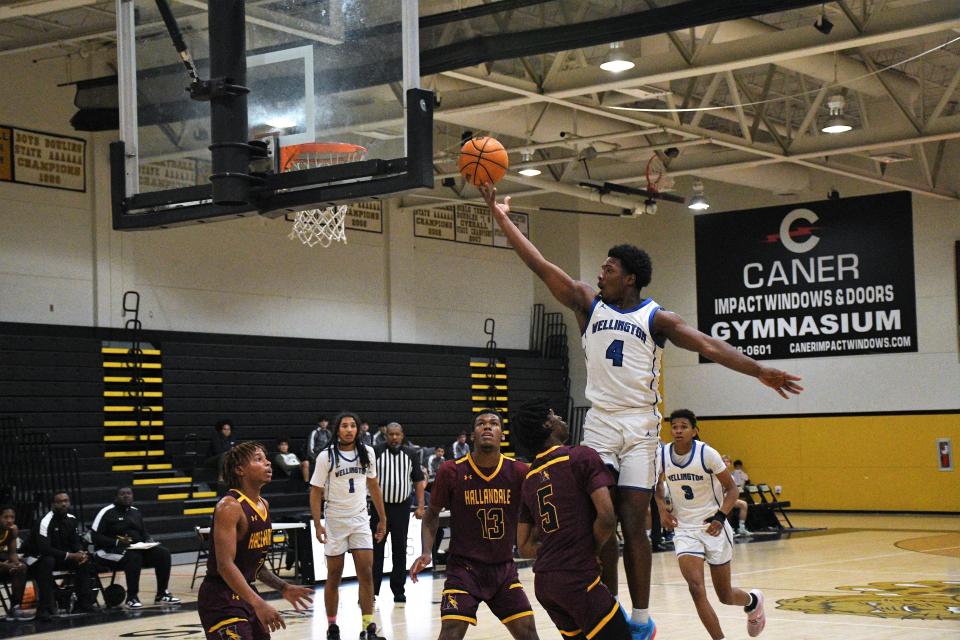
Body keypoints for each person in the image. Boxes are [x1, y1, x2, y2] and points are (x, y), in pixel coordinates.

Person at [480, 182, 803, 639]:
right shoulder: (585, 302)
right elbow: (537, 262)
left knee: (634, 520)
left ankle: (640, 617)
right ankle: (605, 605)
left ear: (629, 278)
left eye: (609, 267)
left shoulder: (656, 317)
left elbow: (708, 344)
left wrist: (757, 371)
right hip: (600, 420)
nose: (601, 270)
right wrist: (502, 216)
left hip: (640, 424)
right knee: (598, 517)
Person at [409, 410, 538, 640]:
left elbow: (539, 511)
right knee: (450, 632)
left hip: (503, 570)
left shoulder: (519, 471)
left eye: (493, 424)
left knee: (528, 632)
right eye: (481, 423)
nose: (487, 427)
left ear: (502, 435)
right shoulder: (451, 470)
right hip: (464, 569)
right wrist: (427, 551)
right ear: (472, 435)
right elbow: (431, 515)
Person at [512, 399, 630, 640]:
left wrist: (556, 550)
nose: (561, 419)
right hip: (577, 578)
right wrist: (591, 551)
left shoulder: (529, 479)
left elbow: (524, 546)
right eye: (555, 415)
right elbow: (607, 517)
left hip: (545, 584)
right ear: (547, 424)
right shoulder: (581, 457)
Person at [654, 410, 765, 639]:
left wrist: (721, 517)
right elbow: (655, 486)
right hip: (684, 529)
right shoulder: (662, 455)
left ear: (694, 430)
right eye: (674, 427)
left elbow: (732, 489)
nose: (678, 431)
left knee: (724, 595)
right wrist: (662, 510)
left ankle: (753, 602)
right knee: (696, 588)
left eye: (683, 426)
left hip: (713, 527)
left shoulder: (707, 454)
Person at [198, 442, 312, 640]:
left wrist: (283, 587)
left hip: (246, 592)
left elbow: (255, 565)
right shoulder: (229, 506)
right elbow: (225, 566)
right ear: (240, 469)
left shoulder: (263, 504)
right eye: (258, 459)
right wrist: (259, 603)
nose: (268, 463)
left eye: (266, 459)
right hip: (220, 598)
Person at [310, 412, 388, 640]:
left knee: (366, 573)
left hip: (360, 519)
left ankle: (368, 626)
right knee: (334, 575)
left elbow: (374, 487)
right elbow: (315, 492)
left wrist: (382, 518)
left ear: (358, 430)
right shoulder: (326, 456)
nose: (349, 429)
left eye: (352, 425)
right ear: (337, 430)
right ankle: (332, 626)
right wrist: (317, 523)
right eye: (344, 426)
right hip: (335, 520)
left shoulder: (368, 453)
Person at [91, 486, 181, 608]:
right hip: (108, 552)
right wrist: (117, 542)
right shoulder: (106, 512)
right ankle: (132, 597)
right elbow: (95, 537)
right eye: (122, 494)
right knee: (133, 556)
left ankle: (162, 593)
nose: (126, 496)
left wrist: (149, 540)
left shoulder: (135, 511)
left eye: (129, 493)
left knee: (163, 553)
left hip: (135, 549)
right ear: (116, 497)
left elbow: (143, 532)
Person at [372, 422, 426, 605]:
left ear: (402, 435)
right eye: (391, 434)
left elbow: (418, 480)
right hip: (380, 509)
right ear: (385, 435)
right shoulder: (376, 452)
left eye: (397, 434)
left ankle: (398, 591)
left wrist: (420, 505)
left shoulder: (411, 454)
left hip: (402, 508)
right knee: (376, 550)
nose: (394, 437)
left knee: (400, 550)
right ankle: (371, 591)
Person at [29, 491, 98, 619]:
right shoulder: (44, 521)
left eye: (66, 501)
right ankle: (44, 608)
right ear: (53, 504)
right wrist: (71, 555)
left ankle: (83, 603)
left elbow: (75, 542)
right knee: (47, 561)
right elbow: (44, 549)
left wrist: (80, 552)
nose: (63, 504)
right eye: (60, 502)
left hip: (61, 557)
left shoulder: (72, 519)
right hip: (38, 557)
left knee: (84, 561)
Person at [0, 506, 28, 621]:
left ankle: (15, 607)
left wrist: (16, 565)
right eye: (6, 517)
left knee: (21, 568)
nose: (10, 520)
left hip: (2, 563)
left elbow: (12, 553)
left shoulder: (11, 530)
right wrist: (5, 565)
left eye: (12, 517)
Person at [721, 455, 752, 537]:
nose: (725, 463)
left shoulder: (732, 476)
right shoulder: (718, 474)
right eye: (723, 461)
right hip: (718, 498)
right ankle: (727, 528)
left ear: (730, 464)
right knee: (728, 505)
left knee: (743, 504)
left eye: (727, 461)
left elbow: (731, 490)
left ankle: (741, 527)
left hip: (726, 497)